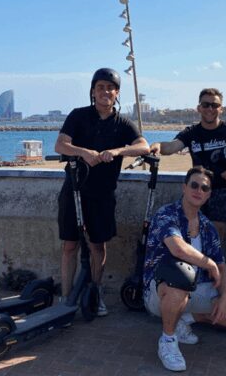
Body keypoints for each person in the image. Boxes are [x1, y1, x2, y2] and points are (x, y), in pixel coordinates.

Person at [54, 67, 150, 316]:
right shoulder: (78, 115)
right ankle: (66, 297)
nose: (105, 92)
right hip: (74, 189)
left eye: (110, 88)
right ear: (93, 91)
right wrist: (84, 152)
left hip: (103, 193)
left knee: (98, 246)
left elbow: (143, 146)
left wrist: (117, 152)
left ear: (116, 93)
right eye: (100, 88)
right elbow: (60, 144)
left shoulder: (122, 123)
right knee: (70, 245)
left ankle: (96, 294)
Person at [143, 166, 226, 372]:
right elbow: (178, 248)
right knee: (181, 276)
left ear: (209, 194)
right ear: (184, 187)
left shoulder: (207, 227)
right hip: (159, 291)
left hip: (196, 289)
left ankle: (183, 321)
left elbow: (222, 267)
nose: (199, 191)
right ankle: (167, 341)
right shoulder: (166, 214)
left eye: (204, 188)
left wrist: (224, 297)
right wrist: (208, 263)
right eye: (194, 185)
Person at [149, 88, 226, 242]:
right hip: (198, 188)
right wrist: (158, 145)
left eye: (214, 105)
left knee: (214, 238)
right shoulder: (191, 132)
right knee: (188, 234)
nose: (210, 109)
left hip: (225, 191)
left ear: (221, 109)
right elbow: (172, 146)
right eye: (206, 105)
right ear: (199, 108)